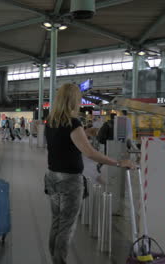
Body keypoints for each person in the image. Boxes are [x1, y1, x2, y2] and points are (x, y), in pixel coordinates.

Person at [44, 83, 134, 264]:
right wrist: (118, 162)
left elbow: (65, 140)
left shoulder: (52, 121)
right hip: (70, 182)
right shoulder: (73, 123)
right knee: (66, 227)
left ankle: (54, 258)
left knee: (57, 222)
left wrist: (84, 133)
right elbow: (90, 153)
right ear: (74, 100)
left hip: (52, 178)